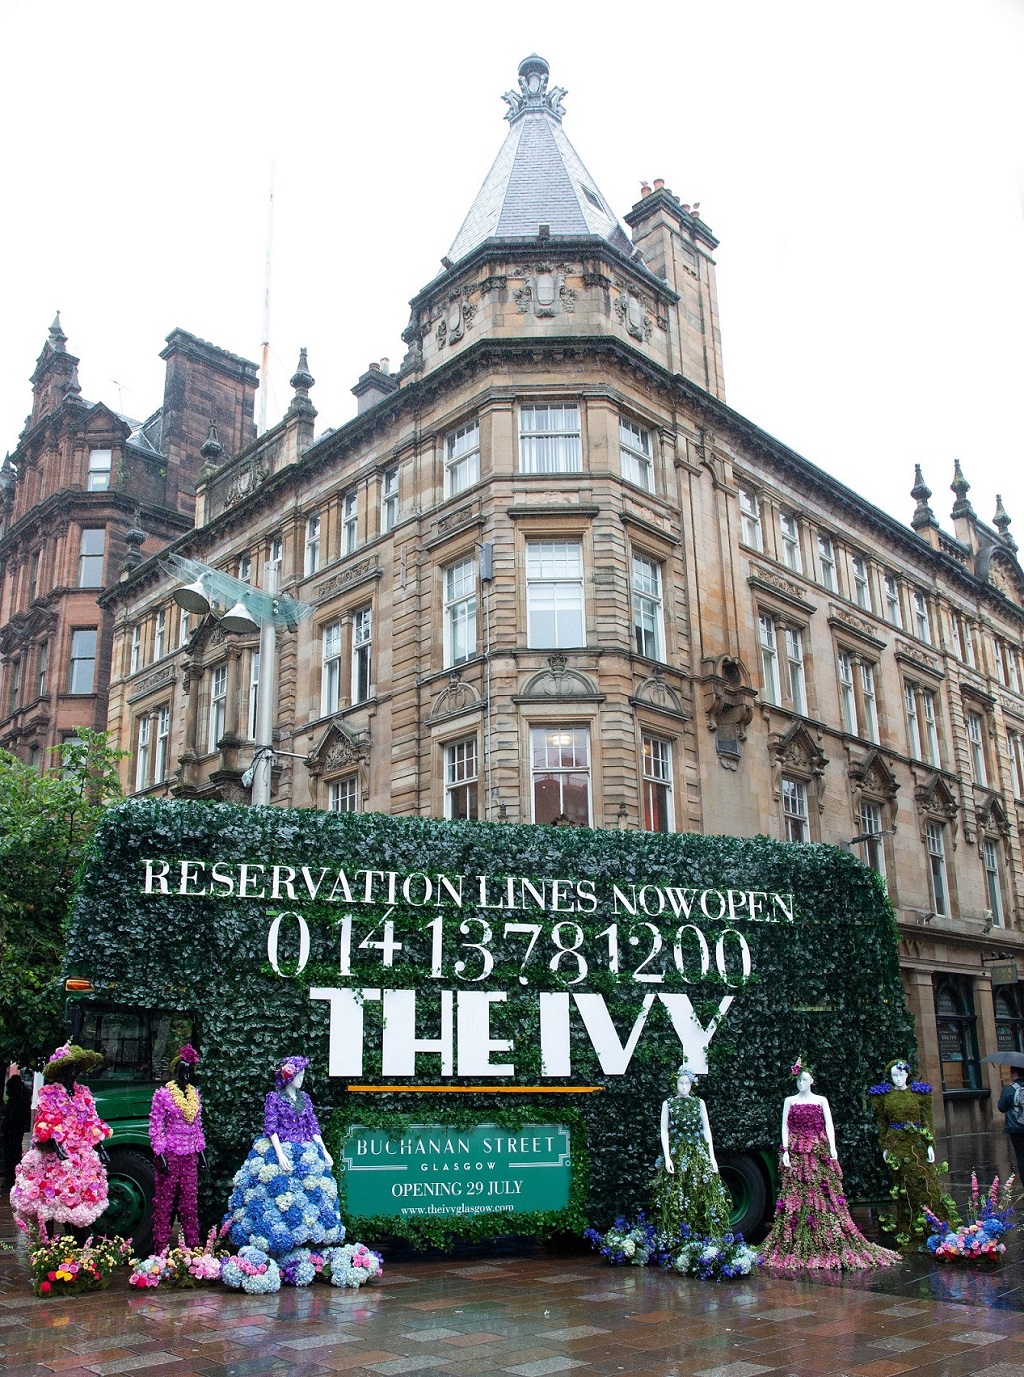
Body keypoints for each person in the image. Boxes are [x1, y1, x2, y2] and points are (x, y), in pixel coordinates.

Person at [761, 1057, 900, 1270]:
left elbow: (829, 1125)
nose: (801, 1083)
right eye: (799, 1080)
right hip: (797, 1149)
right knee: (797, 1191)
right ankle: (798, 1234)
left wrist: (832, 1147)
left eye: (805, 1080)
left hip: (818, 1148)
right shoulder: (790, 1100)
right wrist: (786, 1150)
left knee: (822, 1190)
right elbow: (784, 1127)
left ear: (812, 1081)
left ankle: (825, 1232)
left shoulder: (821, 1100)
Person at [223, 1055, 344, 1256]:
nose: (302, 1079)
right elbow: (272, 1129)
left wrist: (324, 1150)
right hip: (282, 1149)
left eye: (303, 1074)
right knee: (275, 1191)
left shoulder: (305, 1099)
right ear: (288, 1076)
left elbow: (313, 1127)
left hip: (307, 1150)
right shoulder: (274, 1098)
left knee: (317, 1192)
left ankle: (310, 1245)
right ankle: (273, 1245)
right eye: (299, 1074)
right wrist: (280, 1155)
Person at [10, 1043, 111, 1231]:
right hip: (52, 1157)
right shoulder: (48, 1093)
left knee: (75, 1203)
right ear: (62, 1071)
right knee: (47, 1201)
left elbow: (92, 1122)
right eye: (70, 1069)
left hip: (79, 1156)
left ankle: (72, 1247)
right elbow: (43, 1122)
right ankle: (47, 1245)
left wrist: (100, 1147)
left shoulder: (84, 1093)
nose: (73, 1073)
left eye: (76, 1069)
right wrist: (56, 1144)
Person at [870, 1057, 957, 1249]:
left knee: (924, 1183)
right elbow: (882, 1124)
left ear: (907, 1074)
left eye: (901, 1074)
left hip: (916, 1142)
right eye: (894, 1076)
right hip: (896, 1143)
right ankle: (908, 1228)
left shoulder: (919, 1094)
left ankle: (933, 1225)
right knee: (903, 1186)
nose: (898, 1079)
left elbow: (927, 1121)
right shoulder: (884, 1096)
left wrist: (929, 1144)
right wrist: (885, 1147)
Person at [649, 1063, 731, 1241]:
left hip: (697, 1152)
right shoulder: (668, 1104)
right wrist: (668, 1157)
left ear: (692, 1084)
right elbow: (664, 1131)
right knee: (676, 1193)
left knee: (701, 1192)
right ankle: (677, 1235)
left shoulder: (699, 1103)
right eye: (680, 1083)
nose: (684, 1087)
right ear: (675, 1084)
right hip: (677, 1153)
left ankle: (701, 1235)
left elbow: (706, 1129)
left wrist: (712, 1157)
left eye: (687, 1083)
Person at [149, 1043, 206, 1251]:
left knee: (189, 1204)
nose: (187, 1075)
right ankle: (161, 1250)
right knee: (165, 1204)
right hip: (170, 1154)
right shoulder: (163, 1095)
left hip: (190, 1155)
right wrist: (160, 1153)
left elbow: (198, 1126)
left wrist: (201, 1152)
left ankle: (193, 1250)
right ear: (176, 1071)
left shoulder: (195, 1095)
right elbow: (156, 1127)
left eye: (190, 1071)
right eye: (183, 1070)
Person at [1, 1067, 32, 1185]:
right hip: (18, 1126)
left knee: (11, 1148)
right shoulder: (24, 1093)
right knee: (15, 1146)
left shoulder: (17, 1095)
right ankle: (13, 1168)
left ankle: (11, 1169)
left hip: (14, 1125)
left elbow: (12, 1112)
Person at [997, 1066, 1024, 1181]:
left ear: (1014, 1074)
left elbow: (1001, 1108)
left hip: (1016, 1129)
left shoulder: (1009, 1089)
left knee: (1022, 1158)